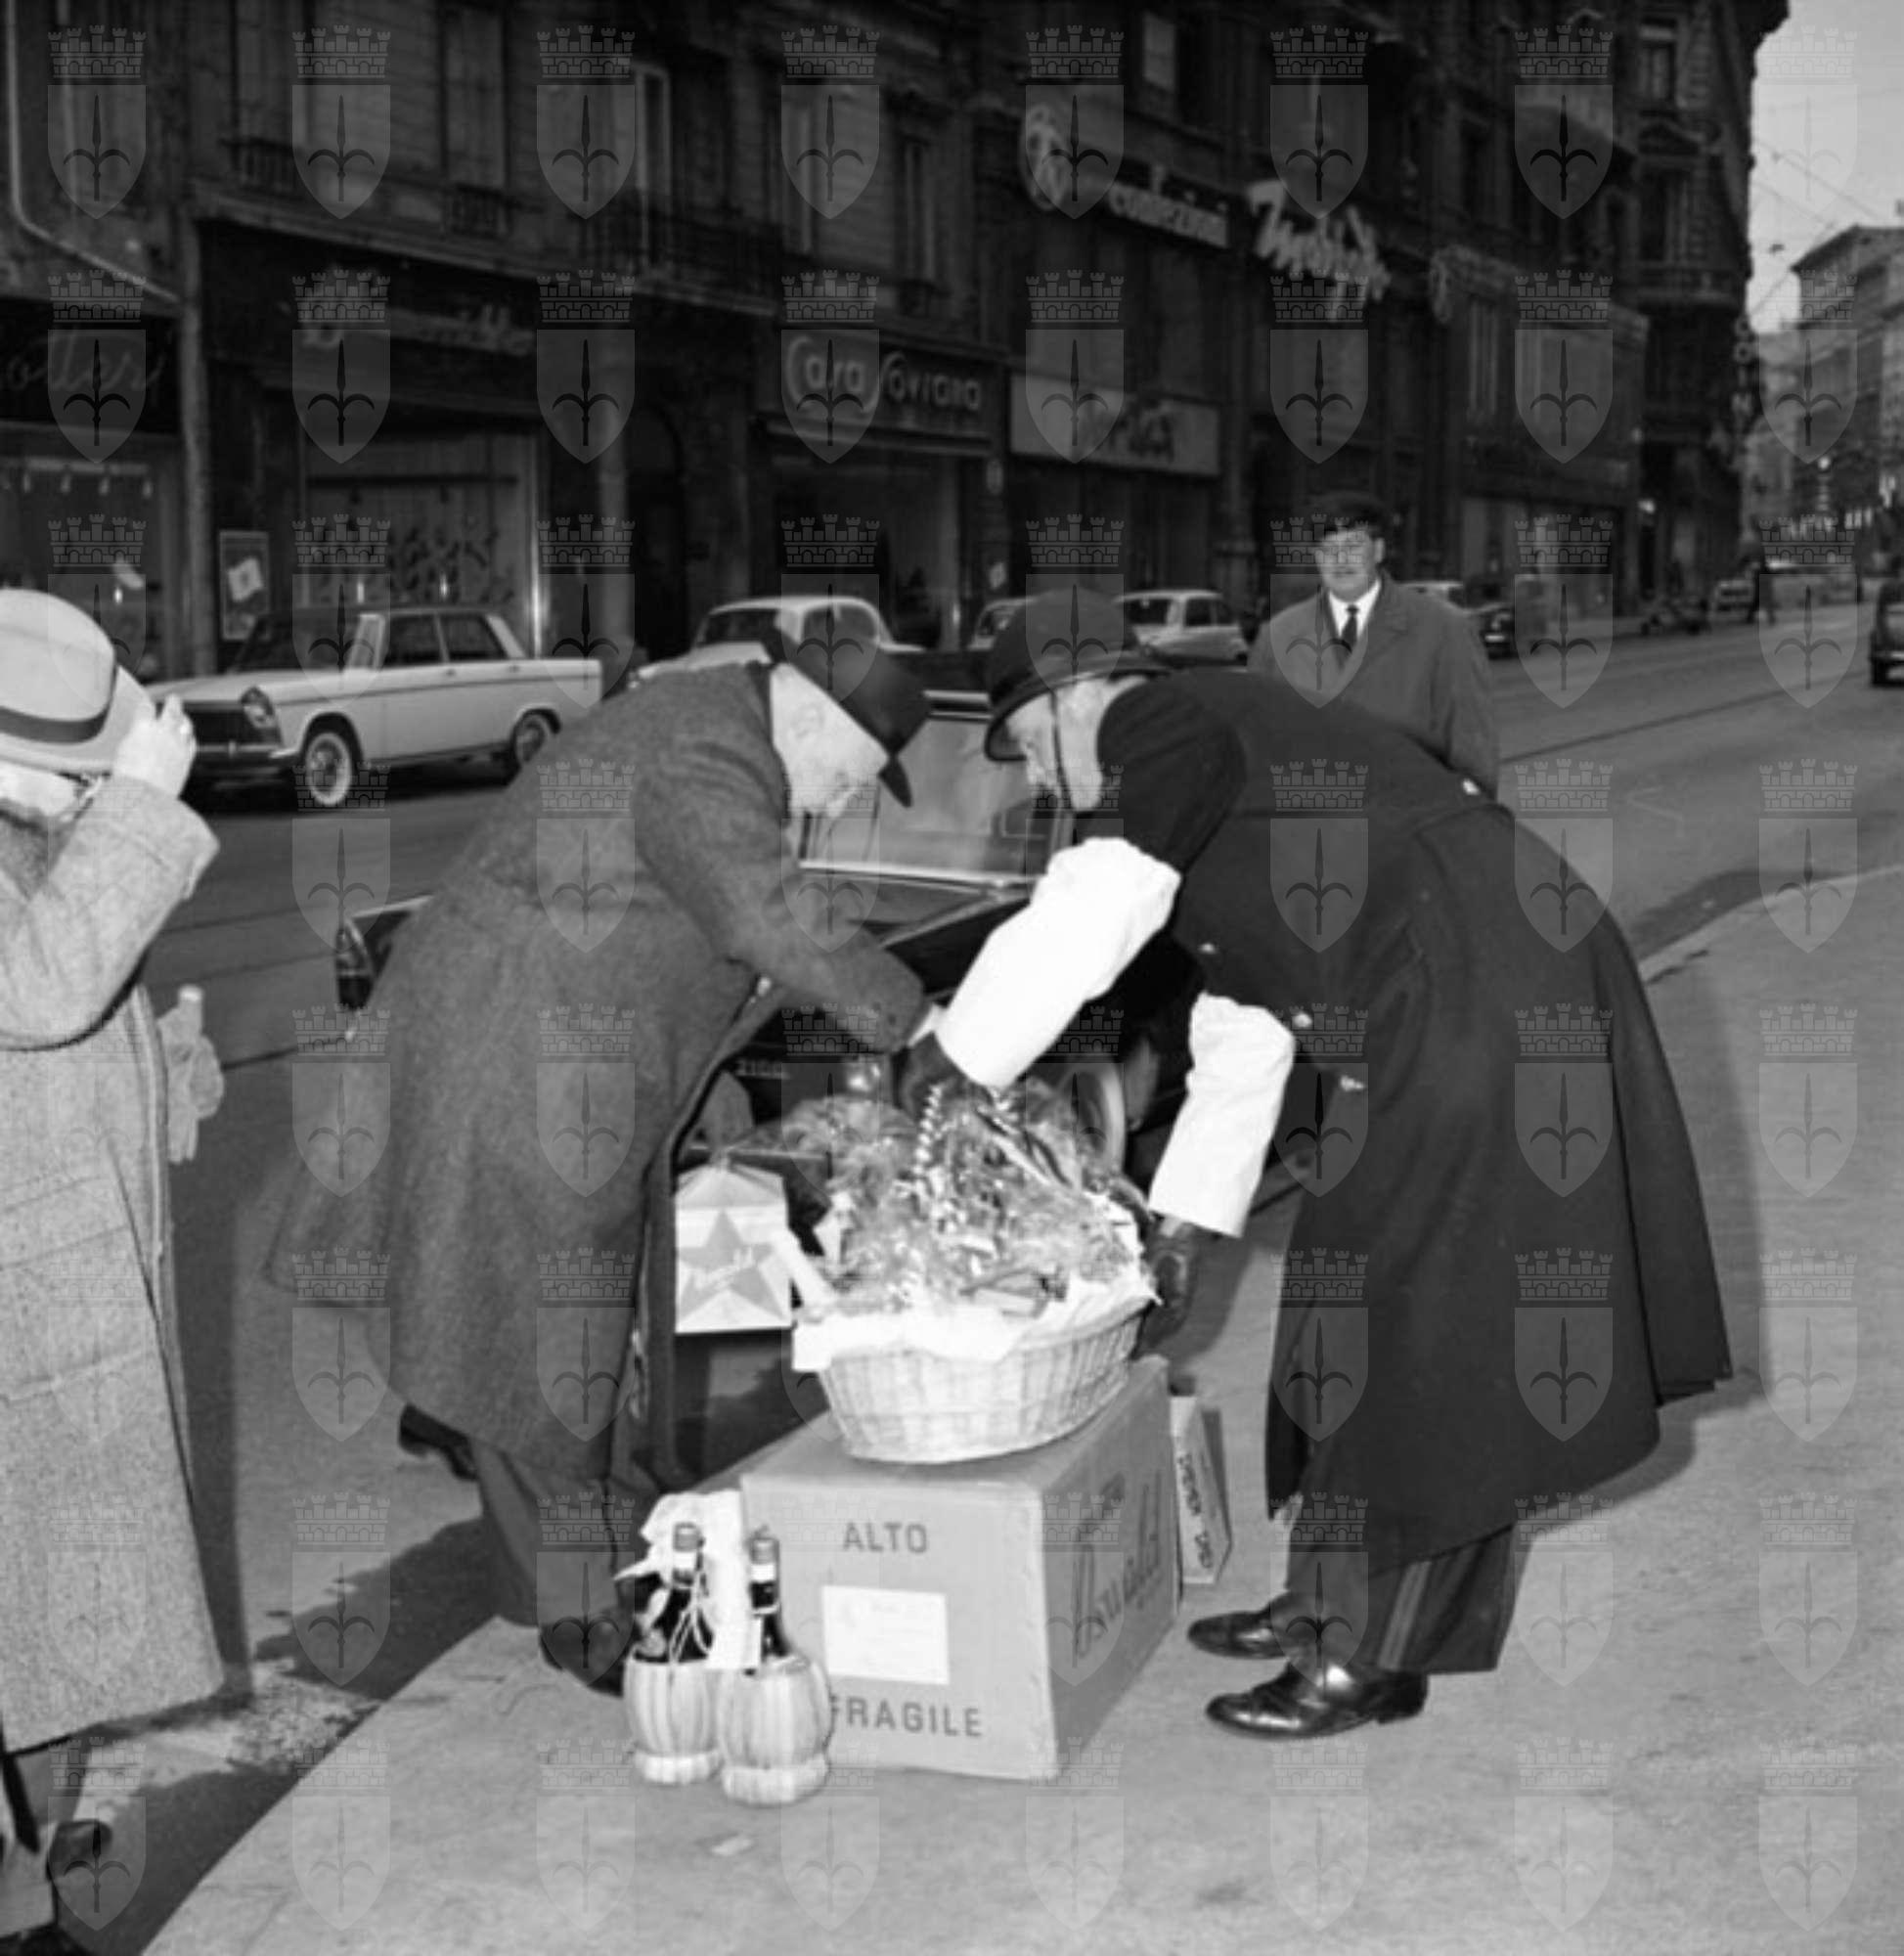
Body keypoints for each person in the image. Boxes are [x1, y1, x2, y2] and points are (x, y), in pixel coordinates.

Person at [901, 609, 1730, 1740]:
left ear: (1079, 691)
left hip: (1484, 987)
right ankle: (1325, 1600)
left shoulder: (1160, 720)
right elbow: (1246, 1017)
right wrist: (1184, 1226)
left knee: (1418, 1317)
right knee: (1345, 1286)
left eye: (1028, 739)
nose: (1037, 773)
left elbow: (1092, 907)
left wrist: (955, 1060)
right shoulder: (1215, 782)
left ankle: (1367, 1653)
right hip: (1450, 988)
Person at [267, 642, 935, 1695]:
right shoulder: (704, 745)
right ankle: (587, 1620)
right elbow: (757, 908)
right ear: (813, 716)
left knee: (553, 1335)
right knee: (538, 1348)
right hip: (511, 1065)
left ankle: (590, 1534)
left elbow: (672, 920)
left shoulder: (709, 726)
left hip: (547, 1061)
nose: (848, 796)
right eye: (856, 771)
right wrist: (912, 1015)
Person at [0, 593, 226, 1953]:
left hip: (59, 1280)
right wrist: (139, 806)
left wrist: (165, 1074)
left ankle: (32, 1829)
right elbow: (37, 990)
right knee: (28, 1596)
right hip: (24, 1299)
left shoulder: (26, 833)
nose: (90, 793)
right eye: (72, 772)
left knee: (52, 1604)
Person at [1250, 491, 1499, 796]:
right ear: (1316, 557)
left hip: (1408, 816)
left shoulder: (1444, 629)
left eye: (1353, 546)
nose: (1340, 560)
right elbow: (1256, 746)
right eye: (1328, 549)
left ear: (1378, 551)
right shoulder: (1277, 636)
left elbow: (1475, 754)